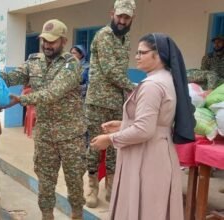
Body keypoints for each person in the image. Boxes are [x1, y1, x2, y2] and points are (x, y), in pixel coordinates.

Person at [91, 33, 195, 220]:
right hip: (157, 150)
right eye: (137, 52)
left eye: (142, 52)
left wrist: (109, 139)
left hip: (147, 156)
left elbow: (144, 130)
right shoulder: (165, 78)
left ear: (158, 55)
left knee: (144, 210)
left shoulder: (152, 86)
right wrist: (123, 125)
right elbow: (156, 122)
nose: (137, 57)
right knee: (153, 210)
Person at [3, 19, 86, 219]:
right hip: (45, 136)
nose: (47, 45)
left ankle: (77, 215)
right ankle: (46, 216)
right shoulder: (33, 61)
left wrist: (21, 99)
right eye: (44, 40)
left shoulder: (71, 64)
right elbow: (12, 77)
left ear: (63, 41)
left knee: (74, 183)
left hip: (71, 136)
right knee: (45, 185)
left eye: (52, 41)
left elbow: (52, 93)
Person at [84, 0, 136, 207]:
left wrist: (128, 92)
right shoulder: (104, 35)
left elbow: (120, 71)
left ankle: (112, 188)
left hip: (117, 102)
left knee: (116, 144)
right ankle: (92, 187)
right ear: (112, 13)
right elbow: (110, 70)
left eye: (126, 17)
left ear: (132, 18)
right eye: (119, 16)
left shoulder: (127, 39)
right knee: (96, 143)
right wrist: (135, 87)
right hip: (97, 101)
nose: (122, 21)